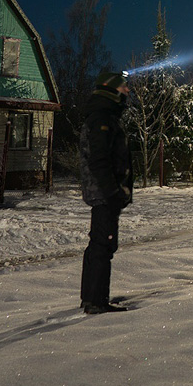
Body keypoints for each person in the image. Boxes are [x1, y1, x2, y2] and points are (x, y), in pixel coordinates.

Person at [78, 69, 134, 314]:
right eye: (123, 88)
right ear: (111, 90)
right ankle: (96, 302)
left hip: (103, 191)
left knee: (99, 244)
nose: (127, 92)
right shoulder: (102, 117)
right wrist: (113, 191)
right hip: (104, 193)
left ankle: (92, 297)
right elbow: (99, 160)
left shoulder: (103, 115)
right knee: (103, 244)